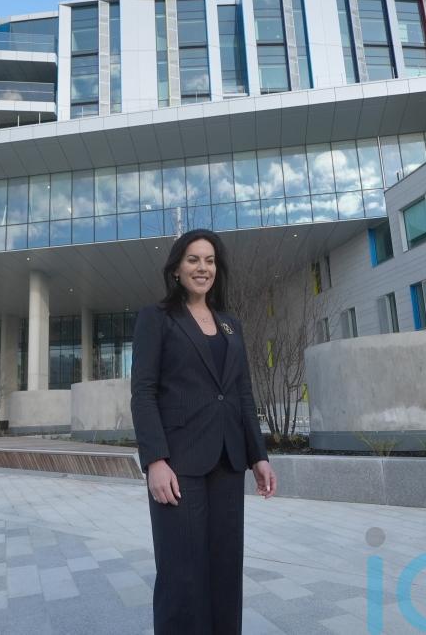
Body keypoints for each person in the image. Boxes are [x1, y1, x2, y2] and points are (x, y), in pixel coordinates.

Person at [131, 229, 278, 635]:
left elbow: (242, 393)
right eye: (193, 259)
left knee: (225, 569)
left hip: (228, 461)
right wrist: (155, 460)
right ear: (176, 269)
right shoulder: (157, 318)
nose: (203, 268)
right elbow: (143, 392)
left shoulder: (231, 325)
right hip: (179, 464)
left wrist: (258, 455)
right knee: (182, 573)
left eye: (210, 260)